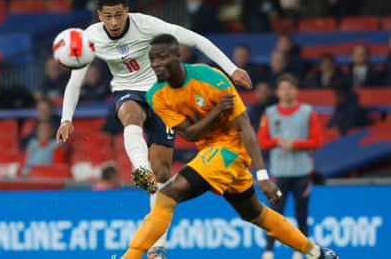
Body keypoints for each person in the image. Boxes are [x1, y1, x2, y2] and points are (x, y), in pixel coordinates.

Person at [55, 0, 252, 258]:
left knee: (162, 174)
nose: (114, 23)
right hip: (126, 89)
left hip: (161, 94)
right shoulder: (90, 38)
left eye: (119, 16)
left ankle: (158, 248)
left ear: (127, 12)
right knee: (130, 116)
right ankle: (139, 168)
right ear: (100, 15)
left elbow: (195, 40)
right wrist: (66, 118)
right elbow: (75, 81)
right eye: (108, 17)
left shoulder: (146, 25)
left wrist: (232, 68)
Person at [121, 34, 338, 259]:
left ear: (178, 55)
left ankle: (131, 256)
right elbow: (189, 133)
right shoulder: (156, 95)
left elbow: (244, 126)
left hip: (231, 148)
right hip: (208, 150)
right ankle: (317, 253)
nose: (156, 64)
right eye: (152, 59)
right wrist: (216, 112)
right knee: (254, 213)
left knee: (167, 195)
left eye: (162, 57)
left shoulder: (211, 78)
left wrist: (262, 175)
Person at [257, 74, 323, 259]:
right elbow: (262, 141)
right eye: (283, 88)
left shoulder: (308, 112)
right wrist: (278, 141)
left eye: (290, 88)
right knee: (275, 214)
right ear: (277, 92)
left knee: (302, 212)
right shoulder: (269, 113)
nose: (286, 92)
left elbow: (317, 141)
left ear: (296, 90)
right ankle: (269, 250)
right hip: (279, 172)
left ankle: (301, 251)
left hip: (302, 171)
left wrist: (294, 144)